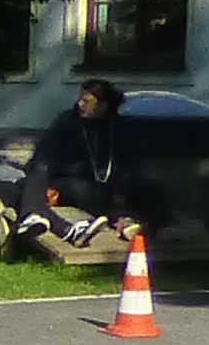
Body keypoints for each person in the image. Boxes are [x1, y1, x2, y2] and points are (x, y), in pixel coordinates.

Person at [31, 77, 175, 242]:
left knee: (150, 188)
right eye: (80, 100)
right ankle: (122, 221)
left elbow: (131, 160)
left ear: (103, 105)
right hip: (71, 180)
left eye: (87, 102)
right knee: (81, 190)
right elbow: (45, 156)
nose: (80, 105)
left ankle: (164, 225)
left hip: (111, 182)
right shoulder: (67, 122)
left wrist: (126, 180)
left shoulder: (121, 126)